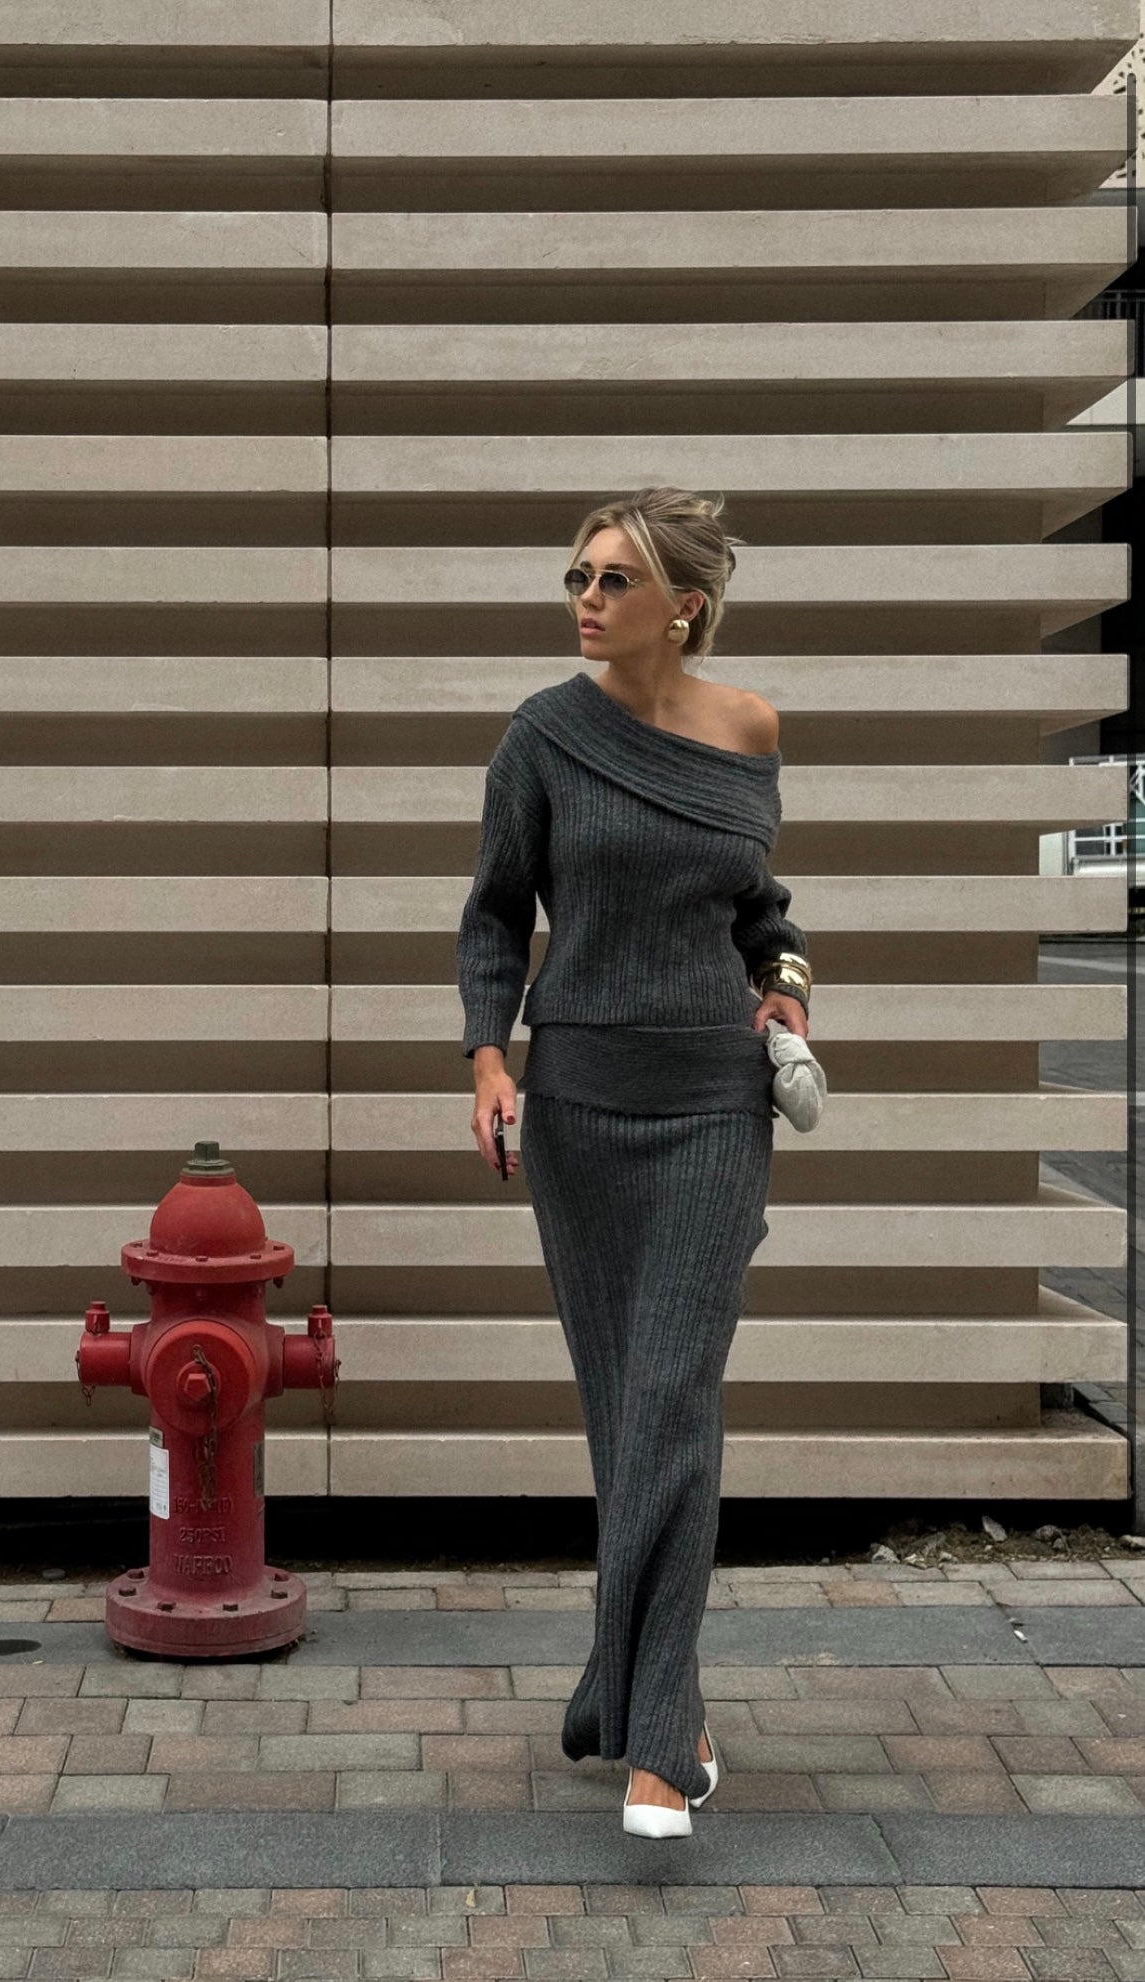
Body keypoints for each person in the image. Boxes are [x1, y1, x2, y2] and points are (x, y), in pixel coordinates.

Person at [455, 485, 812, 1837]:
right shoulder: (541, 738)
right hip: (583, 1111)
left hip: (717, 1107)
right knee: (633, 1416)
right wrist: (491, 1058)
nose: (584, 597)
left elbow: (762, 908)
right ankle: (650, 1689)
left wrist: (784, 987)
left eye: (612, 578)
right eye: (577, 575)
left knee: (670, 1392)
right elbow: (494, 914)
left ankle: (658, 1735)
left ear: (686, 605)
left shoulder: (749, 730)